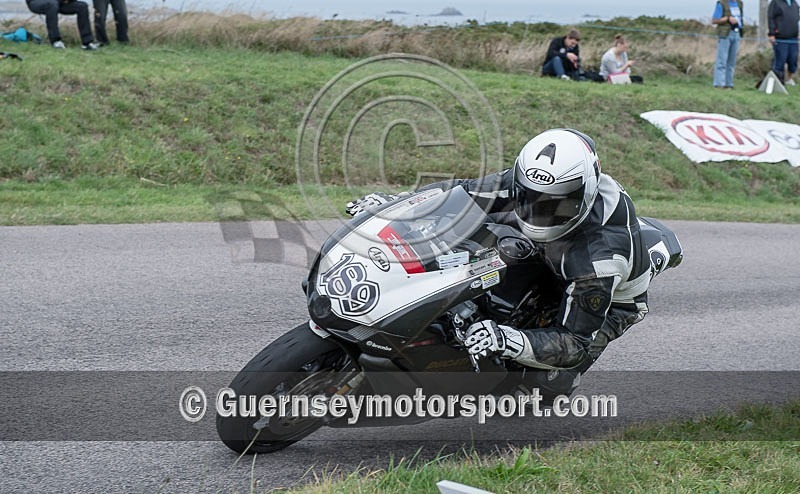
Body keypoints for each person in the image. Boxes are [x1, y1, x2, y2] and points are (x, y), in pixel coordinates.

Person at [346, 129, 652, 397]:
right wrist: (396, 204)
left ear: (583, 195)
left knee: (542, 386)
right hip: (550, 248)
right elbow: (461, 192)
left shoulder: (600, 260)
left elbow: (574, 342)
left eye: (553, 205)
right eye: (530, 198)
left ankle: (548, 382)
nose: (538, 211)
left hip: (604, 293)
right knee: (476, 249)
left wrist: (507, 339)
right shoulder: (534, 184)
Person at [25, 0, 99, 50]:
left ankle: (87, 43)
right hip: (36, 2)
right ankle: (55, 41)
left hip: (59, 2)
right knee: (52, 4)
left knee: (82, 6)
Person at [711, 0, 743, 89]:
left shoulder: (739, 3)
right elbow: (714, 20)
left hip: (736, 34)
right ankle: (719, 84)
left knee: (731, 61)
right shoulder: (721, 3)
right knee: (722, 60)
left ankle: (729, 84)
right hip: (725, 34)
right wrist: (728, 19)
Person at [767, 0, 800, 86]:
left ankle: (789, 79)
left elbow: (797, 19)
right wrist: (771, 33)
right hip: (780, 37)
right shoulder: (775, 2)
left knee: (793, 60)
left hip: (793, 38)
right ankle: (777, 81)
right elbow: (771, 18)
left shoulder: (794, 3)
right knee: (780, 60)